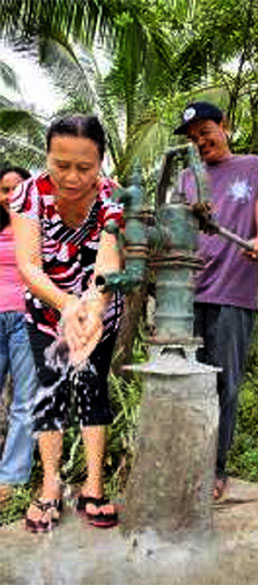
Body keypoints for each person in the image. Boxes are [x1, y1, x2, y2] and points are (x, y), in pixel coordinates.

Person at [174, 101, 258, 500]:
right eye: (193, 138)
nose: (201, 141)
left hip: (233, 294)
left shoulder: (254, 167)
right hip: (185, 299)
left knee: (224, 384)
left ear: (225, 126)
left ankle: (216, 468)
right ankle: (187, 463)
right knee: (186, 383)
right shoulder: (186, 180)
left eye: (206, 131)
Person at [10, 115, 124, 532]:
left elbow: (108, 261)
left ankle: (94, 486)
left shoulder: (113, 196)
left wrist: (91, 309)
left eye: (84, 167)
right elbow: (29, 265)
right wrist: (66, 305)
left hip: (98, 311)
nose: (72, 177)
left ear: (100, 164)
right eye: (61, 165)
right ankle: (50, 486)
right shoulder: (28, 194)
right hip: (47, 310)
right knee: (50, 392)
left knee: (94, 388)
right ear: (47, 157)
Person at [0, 166, 38, 508]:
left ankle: (10, 478)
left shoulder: (37, 228)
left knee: (25, 401)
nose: (10, 195)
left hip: (26, 321)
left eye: (17, 187)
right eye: (3, 189)